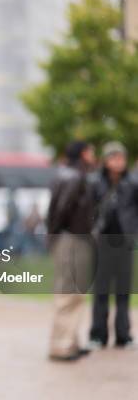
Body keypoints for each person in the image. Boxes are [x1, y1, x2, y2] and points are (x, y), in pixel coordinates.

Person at [46, 140, 97, 361]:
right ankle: (61, 346)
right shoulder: (74, 177)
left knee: (75, 293)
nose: (94, 155)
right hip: (71, 239)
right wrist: (55, 237)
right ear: (84, 153)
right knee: (69, 293)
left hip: (71, 238)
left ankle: (71, 341)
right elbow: (61, 210)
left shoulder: (69, 174)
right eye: (91, 151)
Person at [88, 141, 137, 349]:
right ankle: (98, 335)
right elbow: (88, 210)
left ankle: (123, 335)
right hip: (102, 243)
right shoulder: (96, 183)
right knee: (100, 291)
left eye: (121, 158)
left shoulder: (132, 184)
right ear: (106, 160)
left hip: (124, 243)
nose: (118, 162)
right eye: (114, 158)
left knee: (123, 292)